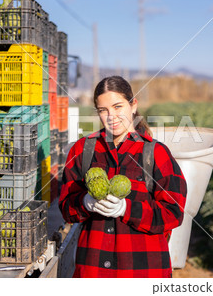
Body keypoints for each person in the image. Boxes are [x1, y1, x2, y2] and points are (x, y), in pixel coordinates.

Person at [59, 75, 187, 278]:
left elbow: (174, 212)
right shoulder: (83, 150)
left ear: (133, 105)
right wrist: (85, 202)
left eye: (118, 106)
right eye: (103, 110)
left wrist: (127, 209)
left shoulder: (156, 154)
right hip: (94, 271)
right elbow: (66, 207)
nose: (111, 116)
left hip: (143, 271)